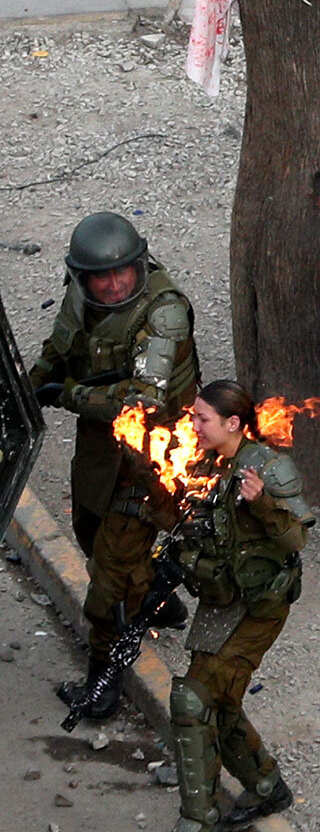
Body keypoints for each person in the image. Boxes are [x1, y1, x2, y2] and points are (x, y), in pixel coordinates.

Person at [28, 211, 200, 721]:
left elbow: (143, 402)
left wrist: (71, 394)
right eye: (99, 276)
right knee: (88, 526)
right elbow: (61, 349)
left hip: (153, 455)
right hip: (102, 444)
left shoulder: (162, 314)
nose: (111, 283)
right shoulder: (81, 295)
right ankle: (154, 598)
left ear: (138, 263)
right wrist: (32, 388)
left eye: (120, 272)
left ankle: (102, 685)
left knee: (107, 576)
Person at [156, 380, 314, 832]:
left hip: (261, 605)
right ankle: (266, 786)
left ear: (233, 424)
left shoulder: (269, 467)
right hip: (222, 601)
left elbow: (295, 542)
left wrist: (262, 503)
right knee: (218, 701)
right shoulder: (204, 461)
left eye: (203, 418)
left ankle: (199, 822)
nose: (194, 425)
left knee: (192, 697)